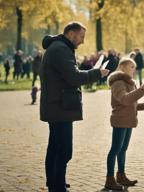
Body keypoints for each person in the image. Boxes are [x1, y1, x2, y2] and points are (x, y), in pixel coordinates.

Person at [40, 21, 109, 192]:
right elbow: (74, 77)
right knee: (64, 150)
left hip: (56, 105)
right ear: (71, 34)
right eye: (81, 36)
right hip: (60, 106)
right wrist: (97, 73)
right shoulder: (61, 50)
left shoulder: (58, 48)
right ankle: (57, 187)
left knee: (55, 146)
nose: (83, 41)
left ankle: (56, 182)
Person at [104, 58, 144, 191]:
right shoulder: (118, 83)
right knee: (115, 150)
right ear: (122, 67)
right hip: (120, 120)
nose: (134, 70)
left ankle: (121, 176)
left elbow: (133, 105)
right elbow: (125, 99)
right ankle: (109, 179)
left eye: (134, 67)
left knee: (123, 149)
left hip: (129, 120)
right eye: (131, 67)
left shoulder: (129, 83)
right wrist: (140, 91)